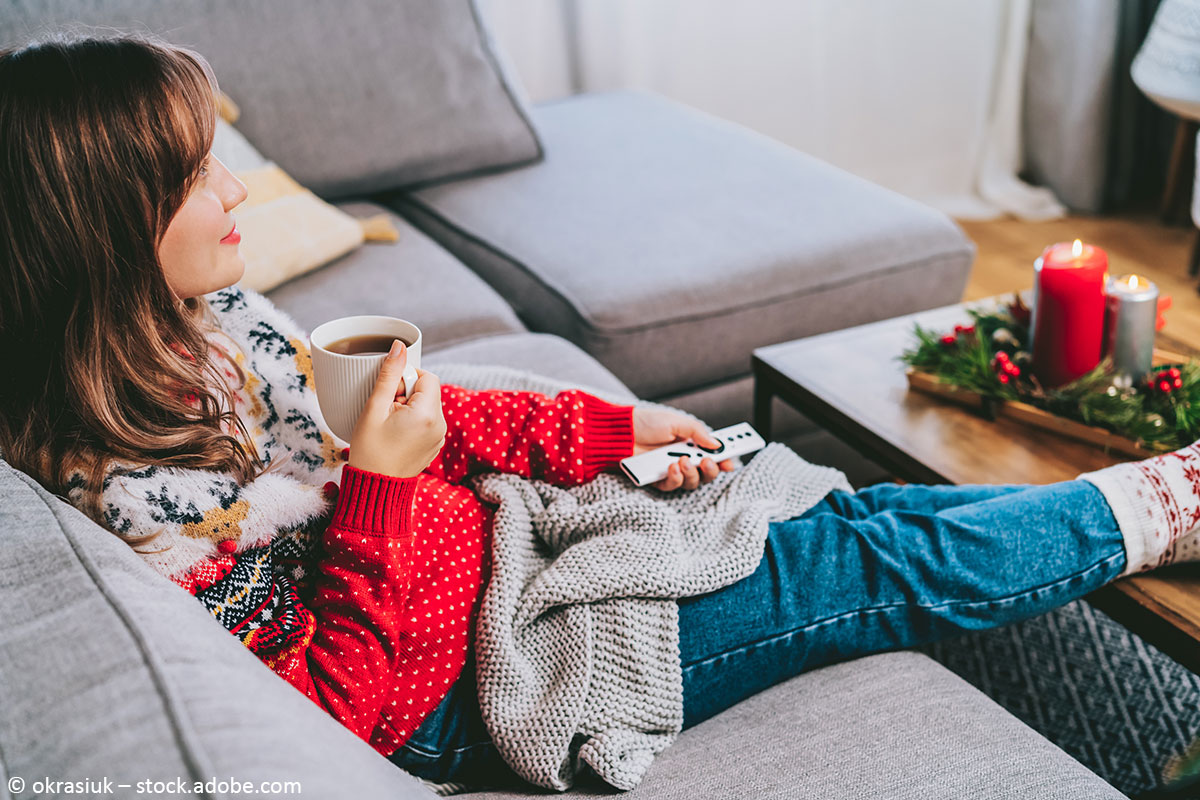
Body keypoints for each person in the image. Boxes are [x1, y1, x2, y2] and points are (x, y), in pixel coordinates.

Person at [2, 30, 1198, 792]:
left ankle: (1145, 512)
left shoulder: (217, 326)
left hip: (502, 565)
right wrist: (376, 484)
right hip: (486, 680)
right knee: (875, 554)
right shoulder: (140, 496)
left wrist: (607, 431)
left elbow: (423, 417)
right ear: (105, 226)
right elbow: (341, 703)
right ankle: (1170, 498)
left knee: (857, 510)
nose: (235, 184)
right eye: (195, 171)